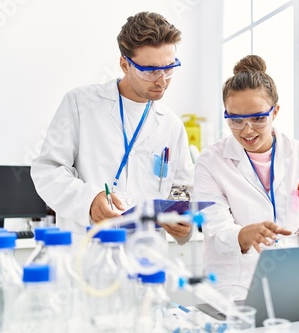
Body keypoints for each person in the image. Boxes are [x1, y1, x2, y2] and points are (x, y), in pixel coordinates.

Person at [31, 12, 194, 245]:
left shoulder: (171, 125)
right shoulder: (81, 103)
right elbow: (46, 171)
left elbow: (181, 188)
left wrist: (181, 219)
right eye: (150, 71)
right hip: (89, 252)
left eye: (169, 68)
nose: (162, 80)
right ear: (124, 64)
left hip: (147, 258)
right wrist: (88, 200)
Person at [193, 55, 299, 300]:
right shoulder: (210, 162)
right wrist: (243, 235)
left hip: (295, 283)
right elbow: (215, 230)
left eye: (258, 118)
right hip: (235, 287)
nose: (247, 130)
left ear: (275, 111)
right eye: (235, 120)